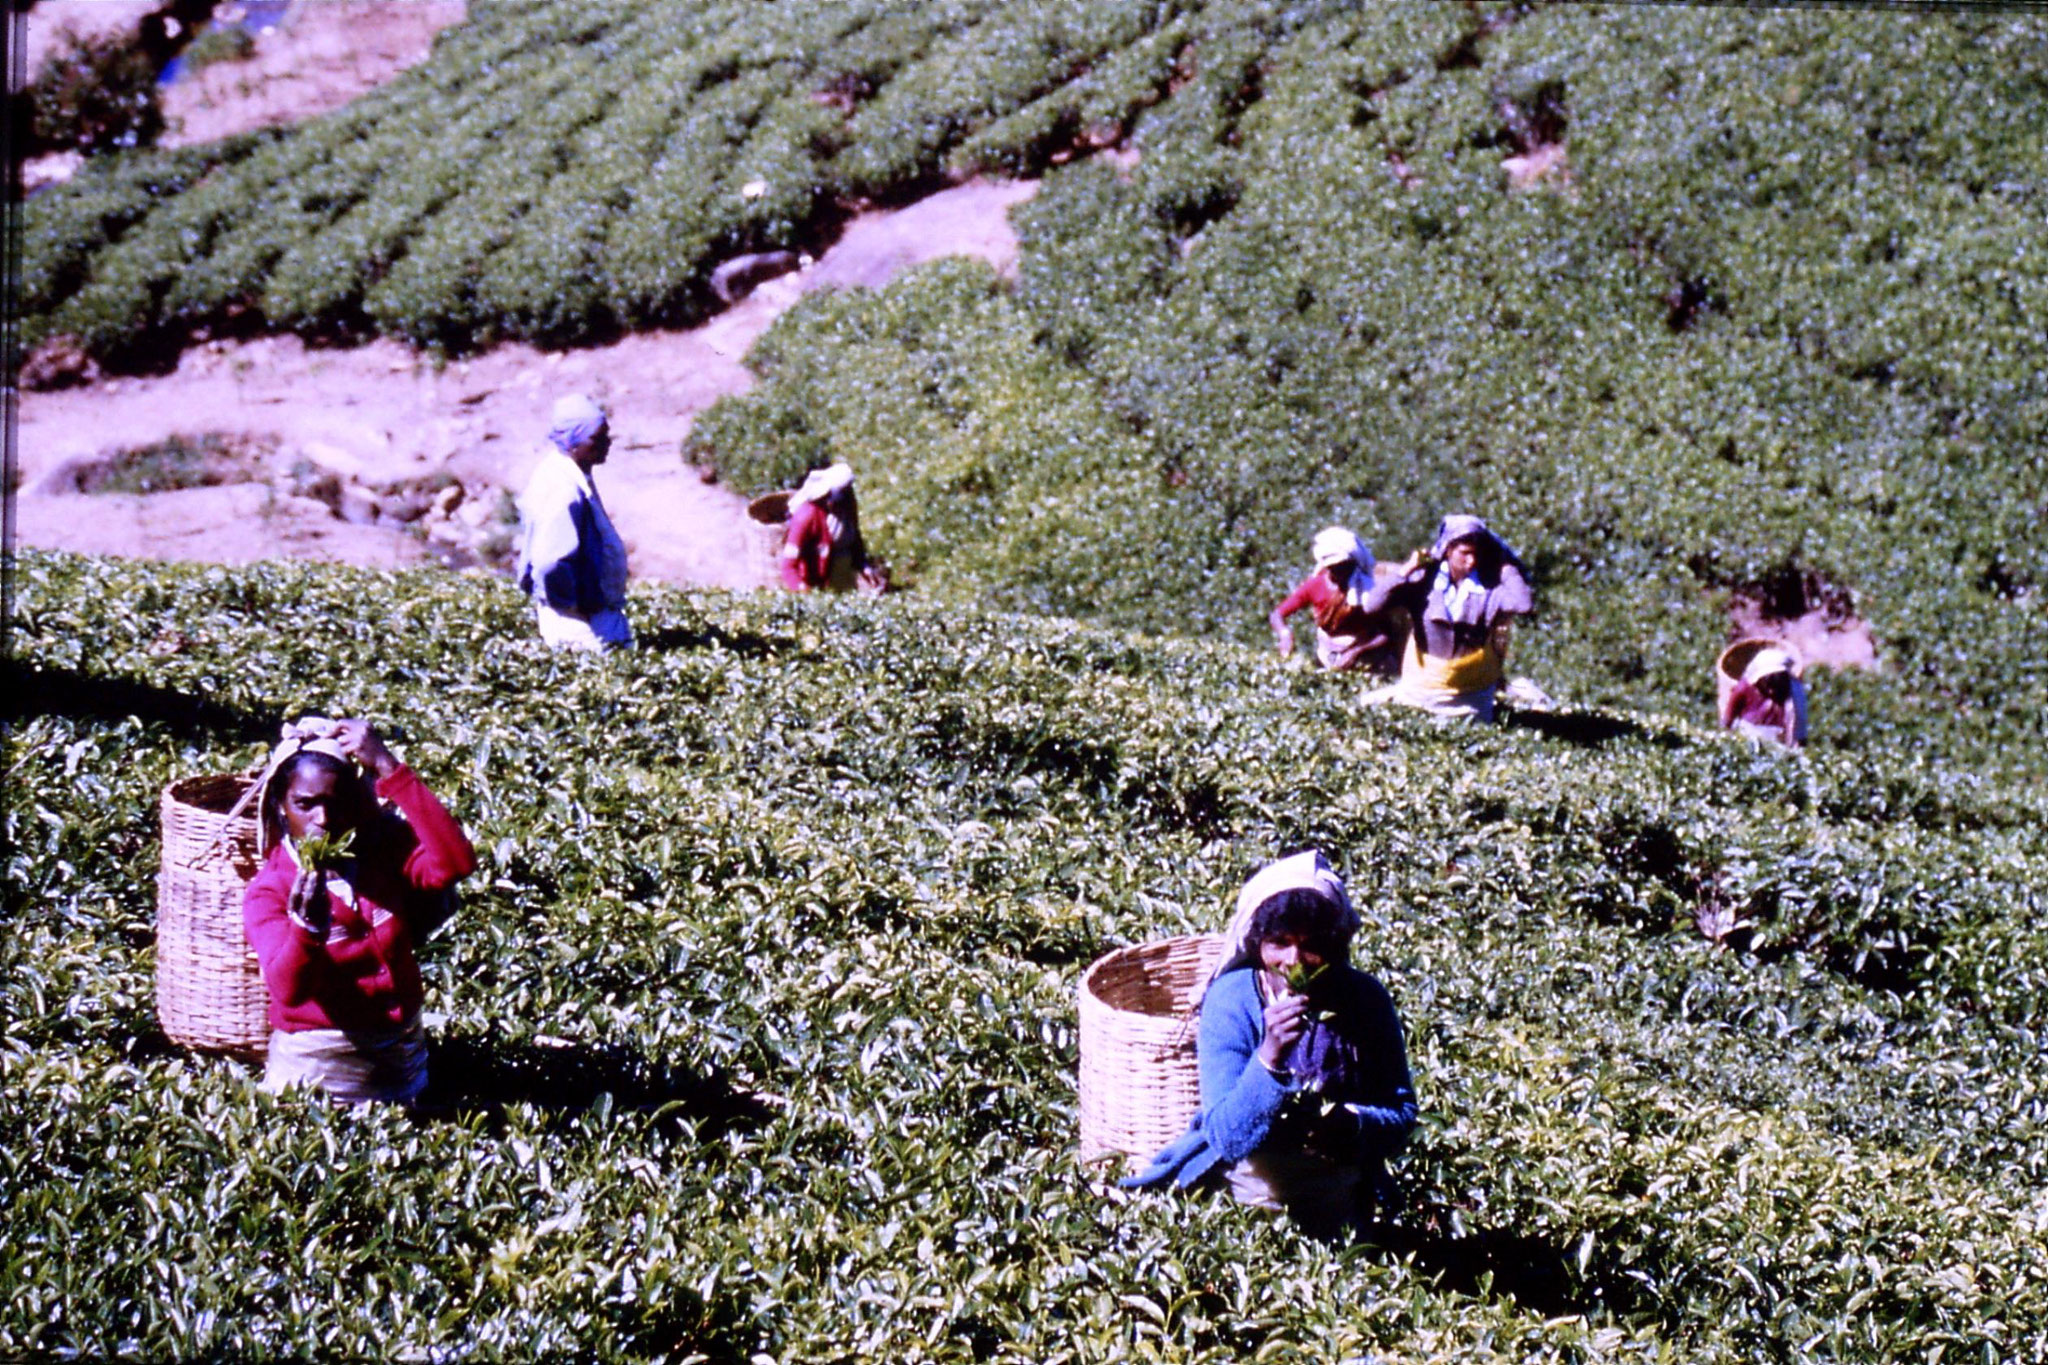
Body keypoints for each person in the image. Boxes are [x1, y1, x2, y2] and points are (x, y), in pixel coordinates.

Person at [1124, 851, 1418, 1241]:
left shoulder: (1365, 1000)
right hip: (1242, 1202)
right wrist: (1269, 1058)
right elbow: (1226, 1137)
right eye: (1279, 942)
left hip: (1338, 1200)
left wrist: (1353, 1124)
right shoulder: (1232, 1001)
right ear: (1259, 943)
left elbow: (1401, 1112)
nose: (1293, 960)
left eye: (1312, 945)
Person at [242, 717, 477, 1106]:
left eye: (337, 803)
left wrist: (388, 767)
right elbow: (289, 992)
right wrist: (307, 928)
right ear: (281, 807)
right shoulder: (270, 890)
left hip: (403, 1063)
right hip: (317, 1075)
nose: (323, 819)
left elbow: (455, 863)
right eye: (305, 804)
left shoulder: (381, 852)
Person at [1361, 514, 1533, 721]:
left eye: (1477, 554)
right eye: (1465, 554)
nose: (1472, 561)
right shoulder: (1423, 580)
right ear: (1448, 550)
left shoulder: (1489, 588)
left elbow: (1523, 605)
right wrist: (1406, 569)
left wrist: (1505, 567)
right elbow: (1371, 605)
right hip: (1423, 689)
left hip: (1469, 696)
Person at [515, 393, 632, 649]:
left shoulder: (568, 472)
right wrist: (574, 605)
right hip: (579, 622)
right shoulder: (563, 490)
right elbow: (550, 563)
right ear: (573, 442)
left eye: (606, 435)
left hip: (585, 615)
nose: (606, 443)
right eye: (597, 438)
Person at [1268, 526, 1403, 675]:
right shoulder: (1315, 586)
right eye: (1333, 568)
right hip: (1328, 655)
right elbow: (1277, 614)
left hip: (1368, 659)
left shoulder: (1368, 589)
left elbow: (1385, 634)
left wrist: (1356, 651)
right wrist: (1285, 634)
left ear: (1353, 563)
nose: (1339, 572)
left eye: (1344, 566)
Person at [779, 462, 872, 593]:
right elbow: (788, 566)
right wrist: (802, 588)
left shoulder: (847, 504)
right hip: (815, 578)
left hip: (842, 574)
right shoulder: (807, 515)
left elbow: (854, 536)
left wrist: (864, 566)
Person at [1720, 646, 1808, 749]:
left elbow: (1798, 733)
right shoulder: (1744, 688)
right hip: (1746, 740)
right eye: (1767, 684)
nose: (1771, 691)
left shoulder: (1794, 692)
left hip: (1778, 746)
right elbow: (1727, 722)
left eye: (1776, 684)